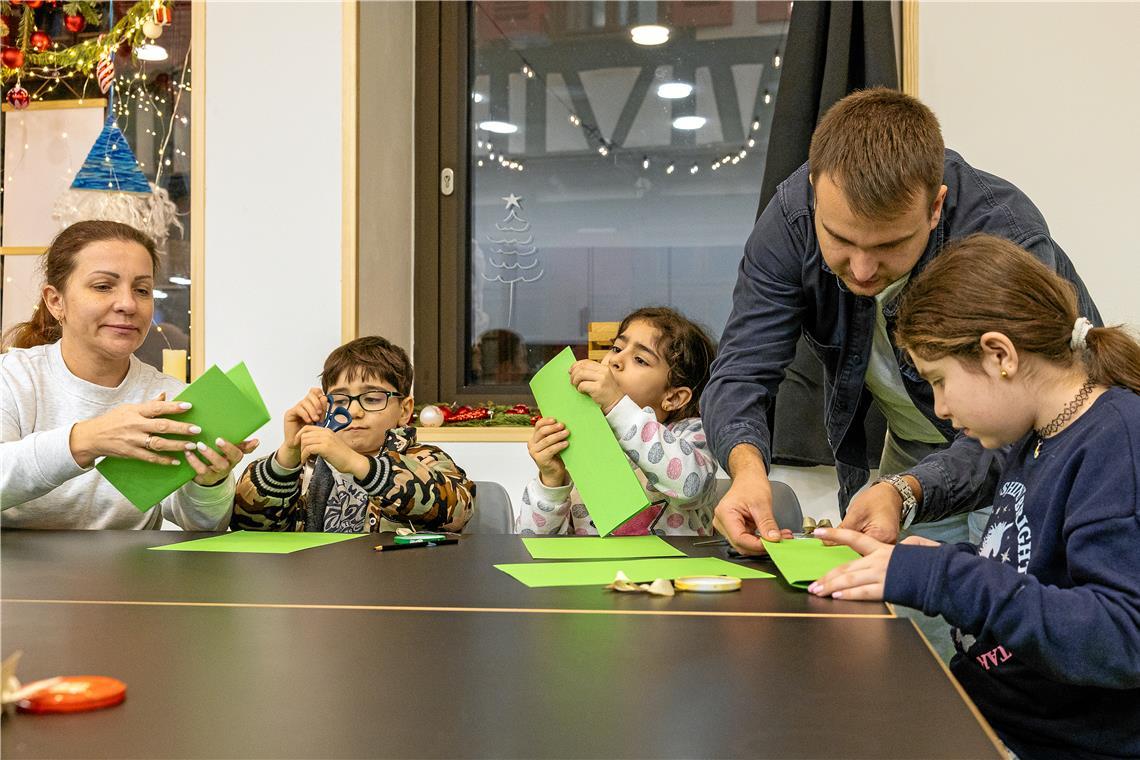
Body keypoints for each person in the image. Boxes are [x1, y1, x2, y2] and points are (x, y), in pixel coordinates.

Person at [702, 88, 1101, 555]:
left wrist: (906, 490)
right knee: (891, 594)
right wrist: (747, 473)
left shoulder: (1002, 233)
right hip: (914, 447)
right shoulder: (792, 220)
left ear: (935, 207)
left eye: (888, 245)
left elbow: (1017, 419)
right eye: (840, 239)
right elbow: (741, 373)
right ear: (815, 193)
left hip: (1022, 447)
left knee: (1001, 592)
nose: (861, 270)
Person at [808, 234, 1140, 759]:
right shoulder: (1037, 434)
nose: (940, 408)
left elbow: (1121, 638)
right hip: (989, 710)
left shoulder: (1116, 441)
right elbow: (1031, 574)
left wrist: (946, 577)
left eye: (940, 381)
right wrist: (933, 561)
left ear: (999, 355)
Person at [0, 220, 254, 529]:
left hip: (131, 562)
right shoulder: (12, 378)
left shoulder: (170, 397)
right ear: (56, 301)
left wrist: (209, 483)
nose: (128, 304)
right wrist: (87, 439)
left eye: (142, 290)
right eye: (103, 286)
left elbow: (205, 526)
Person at [232, 336, 474, 533]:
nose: (354, 411)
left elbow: (458, 510)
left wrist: (357, 463)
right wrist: (289, 454)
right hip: (314, 577)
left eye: (372, 399)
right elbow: (246, 525)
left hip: (389, 577)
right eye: (340, 400)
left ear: (404, 410)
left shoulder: (426, 458)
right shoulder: (307, 468)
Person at [518, 307, 719, 535]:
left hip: (675, 560)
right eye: (616, 348)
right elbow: (532, 541)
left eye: (640, 360)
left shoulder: (691, 434)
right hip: (593, 561)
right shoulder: (581, 437)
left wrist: (616, 405)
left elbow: (690, 486)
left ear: (673, 398)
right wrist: (551, 482)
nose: (616, 360)